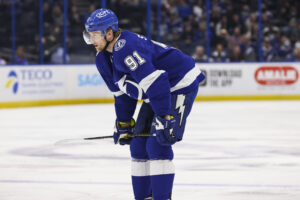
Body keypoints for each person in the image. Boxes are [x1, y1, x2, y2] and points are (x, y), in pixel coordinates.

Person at [83, 8, 205, 200]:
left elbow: (157, 81)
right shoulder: (102, 59)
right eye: (89, 35)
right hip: (158, 90)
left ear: (109, 33)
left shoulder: (126, 48)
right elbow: (122, 95)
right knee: (138, 145)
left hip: (180, 82)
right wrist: (124, 124)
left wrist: (165, 118)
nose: (91, 40)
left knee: (159, 143)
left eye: (95, 35)